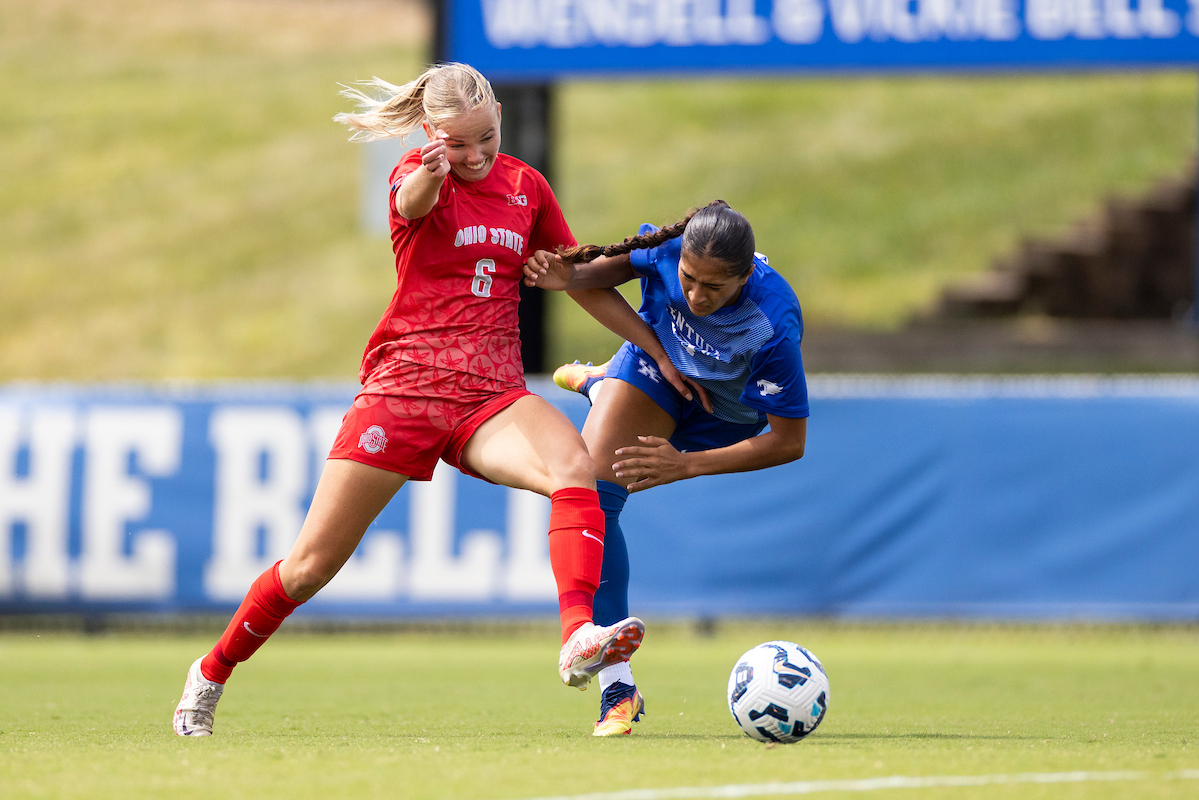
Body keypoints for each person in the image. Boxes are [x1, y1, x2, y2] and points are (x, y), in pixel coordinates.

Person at [173, 62, 648, 737]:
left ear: (500, 118)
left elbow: (575, 276)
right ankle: (210, 673)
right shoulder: (416, 175)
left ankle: (577, 637)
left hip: (491, 395)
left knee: (576, 469)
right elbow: (411, 204)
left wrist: (651, 346)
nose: (475, 155)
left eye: (486, 137)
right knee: (308, 569)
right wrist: (431, 169)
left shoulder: (526, 187)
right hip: (404, 393)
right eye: (457, 143)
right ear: (430, 134)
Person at [523, 200, 810, 736]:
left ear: (745, 276)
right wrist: (654, 351)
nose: (697, 296)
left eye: (714, 288)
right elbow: (580, 281)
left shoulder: (773, 323)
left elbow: (789, 441)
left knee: (603, 460)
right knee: (592, 495)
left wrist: (687, 465)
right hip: (656, 372)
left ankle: (601, 385)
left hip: (721, 416)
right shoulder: (667, 249)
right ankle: (618, 687)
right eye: (689, 280)